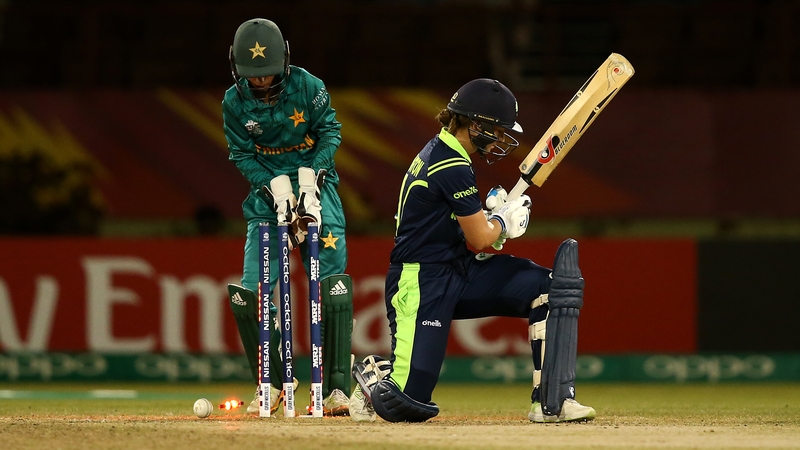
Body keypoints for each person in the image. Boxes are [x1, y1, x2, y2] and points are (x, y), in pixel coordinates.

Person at [349, 78, 596, 423]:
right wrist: (503, 224)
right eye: (496, 130)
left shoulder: (448, 152)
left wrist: (494, 220)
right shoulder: (449, 163)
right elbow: (481, 238)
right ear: (475, 124)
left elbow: (471, 233)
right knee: (405, 403)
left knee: (550, 288)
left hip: (459, 269)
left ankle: (551, 401)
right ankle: (373, 374)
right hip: (420, 281)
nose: (499, 138)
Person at [222, 18, 353, 416]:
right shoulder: (233, 101)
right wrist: (273, 184)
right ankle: (275, 381)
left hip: (316, 187)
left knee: (330, 285)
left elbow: (331, 131)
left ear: (285, 62)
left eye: (268, 75)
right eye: (253, 77)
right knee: (253, 292)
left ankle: (336, 389)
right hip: (268, 196)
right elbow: (242, 153)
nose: (261, 83)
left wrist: (311, 177)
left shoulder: (308, 87)